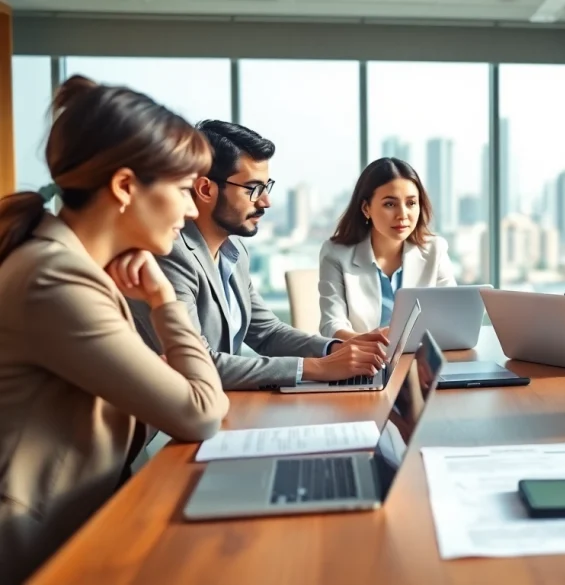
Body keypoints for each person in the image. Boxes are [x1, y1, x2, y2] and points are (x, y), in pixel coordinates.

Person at [0, 75, 230, 583]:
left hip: (86, 522)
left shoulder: (74, 267)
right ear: (125, 187)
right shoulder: (53, 278)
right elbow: (199, 412)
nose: (194, 209)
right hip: (37, 551)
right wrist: (166, 301)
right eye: (184, 191)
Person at [128, 121, 387, 390]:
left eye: (266, 187)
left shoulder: (235, 252)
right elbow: (197, 363)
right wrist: (317, 367)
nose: (265, 202)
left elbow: (267, 332)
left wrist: (338, 349)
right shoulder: (170, 254)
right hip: (152, 423)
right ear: (206, 189)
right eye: (252, 189)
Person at [319, 157, 456, 340]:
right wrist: (369, 344)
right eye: (390, 204)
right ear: (366, 208)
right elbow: (332, 324)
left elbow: (453, 316)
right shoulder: (336, 254)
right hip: (364, 362)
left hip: (420, 360)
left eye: (411, 203)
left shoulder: (435, 250)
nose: (403, 215)